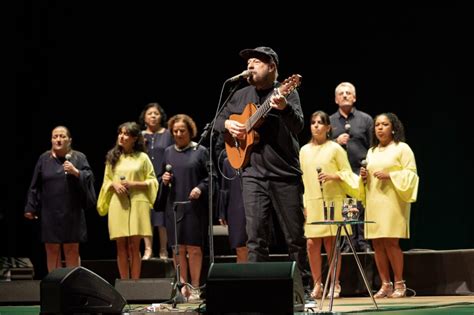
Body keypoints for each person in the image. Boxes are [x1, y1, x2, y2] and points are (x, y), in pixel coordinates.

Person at [215, 46, 308, 281]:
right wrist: (228, 125)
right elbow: (216, 122)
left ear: (272, 67)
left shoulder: (286, 91)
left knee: (294, 237)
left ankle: (303, 289)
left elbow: (298, 127)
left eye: (256, 61)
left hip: (284, 173)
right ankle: (258, 290)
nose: (250, 65)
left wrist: (284, 108)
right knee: (255, 238)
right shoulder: (238, 94)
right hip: (252, 174)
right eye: (248, 62)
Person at [300, 111, 359, 299]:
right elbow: (301, 181)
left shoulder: (335, 149)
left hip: (333, 201)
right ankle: (317, 283)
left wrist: (333, 176)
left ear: (328, 128)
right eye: (313, 122)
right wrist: (304, 205)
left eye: (320, 123)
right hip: (312, 201)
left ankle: (335, 283)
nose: (316, 125)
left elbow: (349, 174)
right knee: (311, 243)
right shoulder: (303, 150)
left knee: (331, 243)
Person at [359, 113, 419, 298]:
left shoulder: (402, 148)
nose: (380, 128)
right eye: (377, 125)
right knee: (377, 243)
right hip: (375, 200)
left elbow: (411, 174)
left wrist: (391, 175)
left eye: (384, 124)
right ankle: (386, 285)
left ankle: (400, 283)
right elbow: (368, 176)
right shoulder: (372, 151)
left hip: (393, 201)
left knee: (391, 242)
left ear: (393, 128)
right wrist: (364, 177)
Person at [24, 126, 96, 272]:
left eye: (62, 136)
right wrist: (30, 207)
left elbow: (90, 177)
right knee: (52, 250)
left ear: (69, 140)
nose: (58, 139)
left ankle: (72, 286)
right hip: (50, 212)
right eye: (55, 136)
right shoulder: (44, 158)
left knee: (71, 250)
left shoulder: (79, 157)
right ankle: (54, 287)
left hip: (72, 211)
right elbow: (35, 185)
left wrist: (76, 172)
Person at [157, 114, 212, 302]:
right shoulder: (168, 152)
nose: (179, 134)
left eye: (182, 131)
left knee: (194, 248)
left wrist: (200, 188)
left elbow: (211, 178)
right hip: (174, 206)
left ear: (190, 131)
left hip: (194, 207)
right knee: (178, 248)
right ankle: (183, 287)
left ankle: (195, 287)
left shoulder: (201, 151)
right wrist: (163, 180)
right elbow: (161, 175)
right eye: (175, 131)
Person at [97, 122, 158, 279]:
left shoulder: (142, 158)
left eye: (125, 134)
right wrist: (114, 184)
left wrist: (133, 184)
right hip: (118, 203)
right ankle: (124, 283)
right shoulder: (113, 157)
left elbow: (152, 181)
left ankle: (135, 284)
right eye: (120, 133)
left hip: (138, 202)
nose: (121, 137)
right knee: (121, 246)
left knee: (134, 246)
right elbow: (106, 182)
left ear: (134, 138)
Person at [329, 82, 373, 253]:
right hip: (340, 173)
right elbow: (322, 145)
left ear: (354, 97)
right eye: (341, 93)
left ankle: (363, 242)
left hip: (359, 171)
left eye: (349, 93)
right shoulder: (330, 121)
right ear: (336, 99)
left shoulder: (366, 119)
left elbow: (372, 146)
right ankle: (348, 243)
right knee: (345, 208)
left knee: (361, 208)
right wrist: (336, 141)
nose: (345, 95)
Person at [139, 102, 174, 260]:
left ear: (161, 117)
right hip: (144, 180)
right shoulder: (139, 136)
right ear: (144, 118)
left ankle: (163, 249)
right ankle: (147, 249)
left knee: (161, 216)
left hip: (162, 179)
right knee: (146, 216)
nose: (153, 116)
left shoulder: (168, 134)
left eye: (156, 113)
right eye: (150, 113)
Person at [218, 155, 248, 263]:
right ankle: (242, 278)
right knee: (240, 247)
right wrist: (222, 211)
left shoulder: (256, 157)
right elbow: (224, 188)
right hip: (235, 207)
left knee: (255, 247)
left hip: (254, 205)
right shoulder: (228, 161)